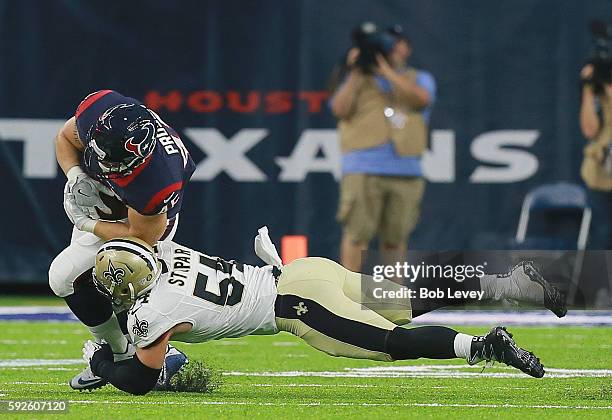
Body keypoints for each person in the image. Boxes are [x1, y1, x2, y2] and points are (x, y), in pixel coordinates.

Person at [80, 228, 567, 395]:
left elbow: (142, 379)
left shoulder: (154, 310)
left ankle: (484, 346)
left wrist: (101, 361)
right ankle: (511, 283)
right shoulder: (163, 251)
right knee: (406, 300)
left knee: (389, 343)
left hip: (297, 304)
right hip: (305, 270)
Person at [49, 90, 196, 390]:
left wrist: (88, 223)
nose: (107, 169)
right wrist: (76, 174)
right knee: (78, 283)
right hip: (108, 207)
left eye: (118, 165)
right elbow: (64, 139)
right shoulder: (99, 111)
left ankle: (127, 355)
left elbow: (139, 235)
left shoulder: (159, 179)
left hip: (143, 224)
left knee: (69, 277)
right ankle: (136, 355)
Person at [331, 24, 436, 272]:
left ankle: (390, 300)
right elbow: (339, 109)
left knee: (396, 240)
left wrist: (386, 70)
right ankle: (348, 298)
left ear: (407, 48)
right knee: (357, 235)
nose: (392, 48)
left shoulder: (419, 78)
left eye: (397, 43)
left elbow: (422, 99)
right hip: (362, 167)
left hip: (405, 169)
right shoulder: (356, 79)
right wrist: (357, 71)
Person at [579, 63, 612, 250]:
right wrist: (588, 88)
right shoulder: (594, 89)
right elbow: (589, 130)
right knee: (604, 234)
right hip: (601, 177)